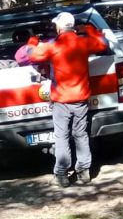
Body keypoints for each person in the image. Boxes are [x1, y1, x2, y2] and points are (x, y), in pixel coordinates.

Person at [29, 12, 107, 187]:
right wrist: (87, 29)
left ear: (58, 27)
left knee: (62, 137)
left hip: (61, 100)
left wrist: (33, 40)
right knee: (81, 135)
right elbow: (103, 44)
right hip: (81, 99)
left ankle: (62, 175)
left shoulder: (53, 45)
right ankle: (84, 172)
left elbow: (32, 55)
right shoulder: (83, 42)